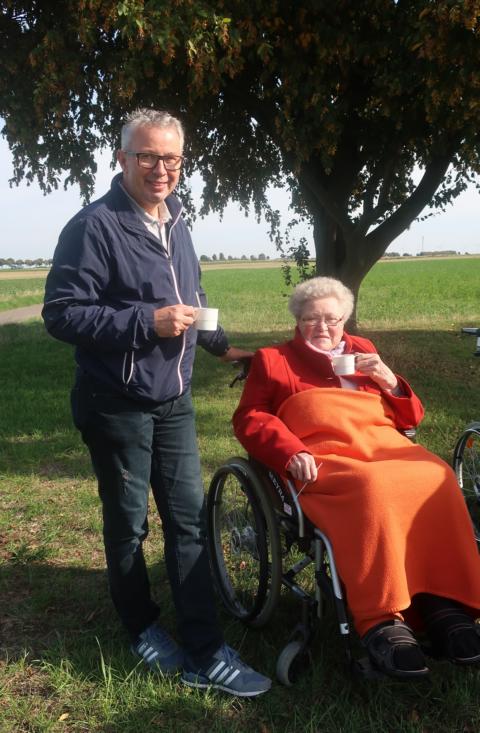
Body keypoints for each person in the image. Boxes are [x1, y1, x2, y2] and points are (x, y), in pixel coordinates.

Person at [42, 108, 271, 697]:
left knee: (189, 519)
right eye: (147, 155)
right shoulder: (93, 227)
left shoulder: (178, 222)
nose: (160, 168)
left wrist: (222, 347)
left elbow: (190, 296)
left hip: (173, 400)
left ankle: (204, 647)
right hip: (114, 401)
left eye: (171, 158)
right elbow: (62, 314)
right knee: (128, 523)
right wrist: (146, 322)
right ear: (122, 158)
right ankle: (141, 625)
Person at [233, 276, 480, 679]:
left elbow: (411, 417)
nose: (323, 327)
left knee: (438, 477)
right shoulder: (273, 359)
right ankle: (380, 618)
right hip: (326, 454)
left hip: (384, 444)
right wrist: (290, 451)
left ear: (345, 319)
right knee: (373, 487)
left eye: (332, 319)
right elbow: (250, 417)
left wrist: (388, 379)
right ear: (298, 320)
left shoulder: (363, 349)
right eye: (312, 319)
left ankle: (443, 602)